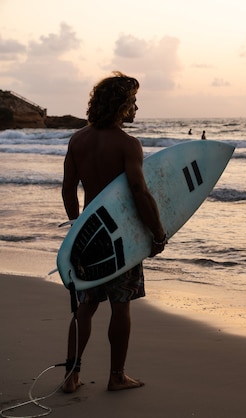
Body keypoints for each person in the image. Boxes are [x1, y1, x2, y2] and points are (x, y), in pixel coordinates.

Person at [61, 71, 167, 393]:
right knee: (121, 305)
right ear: (121, 105)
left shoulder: (78, 140)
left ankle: (71, 376)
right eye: (133, 101)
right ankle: (117, 376)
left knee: (86, 306)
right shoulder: (127, 144)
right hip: (121, 240)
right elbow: (140, 192)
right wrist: (158, 233)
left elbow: (68, 190)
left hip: (89, 237)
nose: (136, 107)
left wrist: (78, 227)